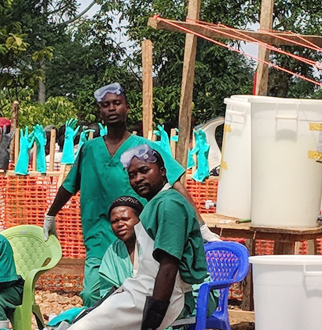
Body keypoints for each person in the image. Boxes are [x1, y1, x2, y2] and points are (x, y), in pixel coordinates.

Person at [36, 144, 207, 330]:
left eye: (144, 170)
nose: (137, 178)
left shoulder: (170, 205)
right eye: (132, 174)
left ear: (163, 172)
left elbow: (168, 267)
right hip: (146, 292)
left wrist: (151, 323)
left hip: (155, 297)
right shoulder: (158, 204)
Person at [42, 83, 217, 306]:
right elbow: (69, 185)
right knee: (93, 296)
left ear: (127, 108)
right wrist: (51, 215)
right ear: (100, 112)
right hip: (99, 238)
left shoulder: (144, 148)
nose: (112, 109)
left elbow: (176, 183)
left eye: (117, 103)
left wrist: (201, 226)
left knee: (138, 297)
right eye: (106, 105)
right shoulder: (89, 150)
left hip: (141, 240)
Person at [95, 195, 214, 330]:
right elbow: (107, 287)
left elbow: (178, 279)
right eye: (114, 221)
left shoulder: (159, 240)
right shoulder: (114, 251)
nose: (119, 224)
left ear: (140, 220)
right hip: (136, 305)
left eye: (125, 218)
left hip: (183, 298)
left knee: (163, 319)